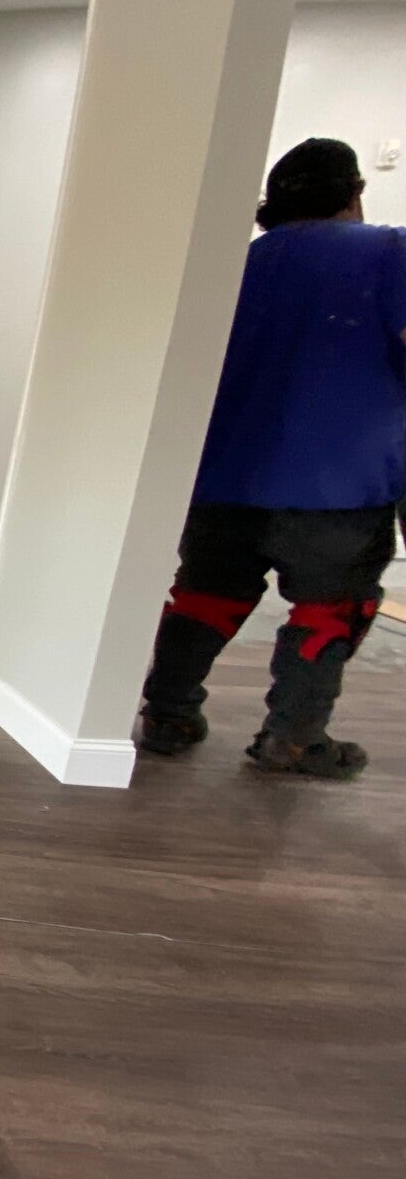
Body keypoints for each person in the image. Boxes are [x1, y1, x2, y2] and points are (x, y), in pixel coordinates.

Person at [139, 137, 406, 778]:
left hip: (223, 472)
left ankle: (168, 714)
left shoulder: (236, 265)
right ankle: (294, 737)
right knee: (331, 606)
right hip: (339, 482)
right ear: (354, 192)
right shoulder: (391, 253)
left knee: (204, 594)